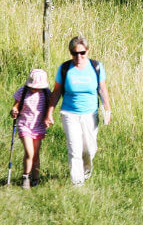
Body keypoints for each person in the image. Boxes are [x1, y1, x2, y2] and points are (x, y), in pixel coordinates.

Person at [44, 36, 111, 186]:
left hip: (90, 114)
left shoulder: (96, 67)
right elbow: (56, 92)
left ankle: (86, 171)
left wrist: (108, 109)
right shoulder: (65, 68)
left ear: (87, 51)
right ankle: (77, 182)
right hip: (69, 114)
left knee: (89, 150)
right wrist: (49, 113)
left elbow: (102, 89)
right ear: (70, 53)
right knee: (75, 149)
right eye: (75, 53)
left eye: (82, 53)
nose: (78, 57)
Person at [9, 68, 51, 189]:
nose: (35, 89)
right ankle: (25, 176)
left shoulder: (46, 92)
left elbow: (49, 107)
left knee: (36, 154)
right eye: (33, 86)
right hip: (24, 125)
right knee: (30, 152)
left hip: (38, 126)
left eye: (37, 87)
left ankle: (36, 178)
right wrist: (14, 111)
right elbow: (15, 106)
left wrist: (48, 118)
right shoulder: (23, 91)